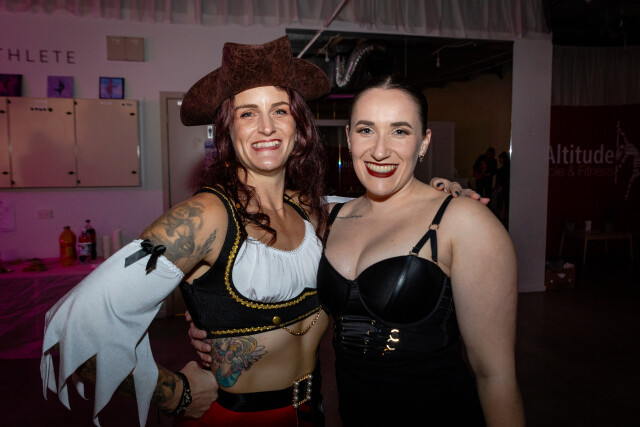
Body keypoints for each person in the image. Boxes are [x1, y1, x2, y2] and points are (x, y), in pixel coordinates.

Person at [189, 75, 523, 426]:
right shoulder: (326, 218)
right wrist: (210, 317)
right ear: (349, 138)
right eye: (366, 130)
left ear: (424, 142)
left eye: (400, 131)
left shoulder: (463, 221)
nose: (379, 150)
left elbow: (495, 376)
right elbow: (249, 242)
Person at [41, 36, 333, 427]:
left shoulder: (310, 209)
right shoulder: (206, 217)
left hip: (309, 412)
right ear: (227, 131)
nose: (266, 126)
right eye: (247, 113)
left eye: (279, 110)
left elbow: (378, 217)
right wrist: (176, 394)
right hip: (231, 419)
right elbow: (73, 332)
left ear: (299, 126)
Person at [496, 150, 510, 225]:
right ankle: (504, 215)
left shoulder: (505, 168)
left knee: (504, 201)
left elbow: (503, 178)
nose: (499, 161)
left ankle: (503, 215)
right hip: (506, 186)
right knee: (505, 201)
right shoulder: (507, 167)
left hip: (505, 187)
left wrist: (501, 185)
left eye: (500, 159)